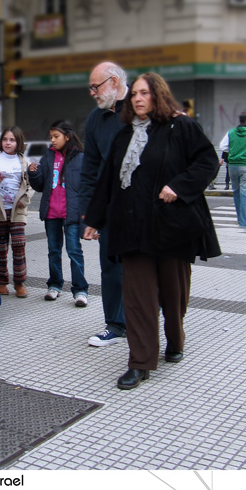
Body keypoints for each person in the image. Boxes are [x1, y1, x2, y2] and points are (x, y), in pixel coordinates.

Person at [84, 72, 221, 390]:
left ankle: (175, 340)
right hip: (132, 230)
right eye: (135, 94)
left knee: (173, 295)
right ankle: (141, 361)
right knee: (138, 298)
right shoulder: (123, 135)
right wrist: (94, 219)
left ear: (158, 95)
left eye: (145, 93)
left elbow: (207, 162)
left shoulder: (179, 126)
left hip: (170, 227)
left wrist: (178, 185)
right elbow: (107, 182)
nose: (138, 99)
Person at [78, 62, 129, 347]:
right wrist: (89, 213)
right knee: (110, 265)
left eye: (96, 87)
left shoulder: (139, 107)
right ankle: (115, 324)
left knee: (142, 266)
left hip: (140, 206)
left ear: (114, 81)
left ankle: (146, 316)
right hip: (109, 207)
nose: (92, 93)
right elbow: (90, 169)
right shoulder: (96, 118)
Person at [29, 120, 89, 307]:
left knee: (74, 251)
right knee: (53, 252)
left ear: (67, 136)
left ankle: (80, 290)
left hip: (71, 214)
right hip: (51, 213)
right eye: (51, 137)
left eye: (56, 136)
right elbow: (40, 186)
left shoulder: (80, 157)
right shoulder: (47, 157)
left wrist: (85, 213)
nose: (52, 140)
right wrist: (34, 174)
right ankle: (54, 285)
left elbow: (86, 187)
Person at [0, 126, 34, 298]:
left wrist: (24, 199)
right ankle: (1, 282)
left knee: (19, 246)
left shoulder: (23, 161)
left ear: (18, 142)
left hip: (17, 210)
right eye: (5, 139)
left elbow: (31, 184)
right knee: (0, 247)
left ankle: (20, 283)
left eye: (12, 140)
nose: (8, 143)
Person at [218, 112, 246, 228]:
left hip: (232, 165)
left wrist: (233, 149)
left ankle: (239, 218)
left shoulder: (231, 132)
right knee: (244, 193)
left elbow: (223, 147)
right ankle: (243, 221)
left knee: (236, 192)